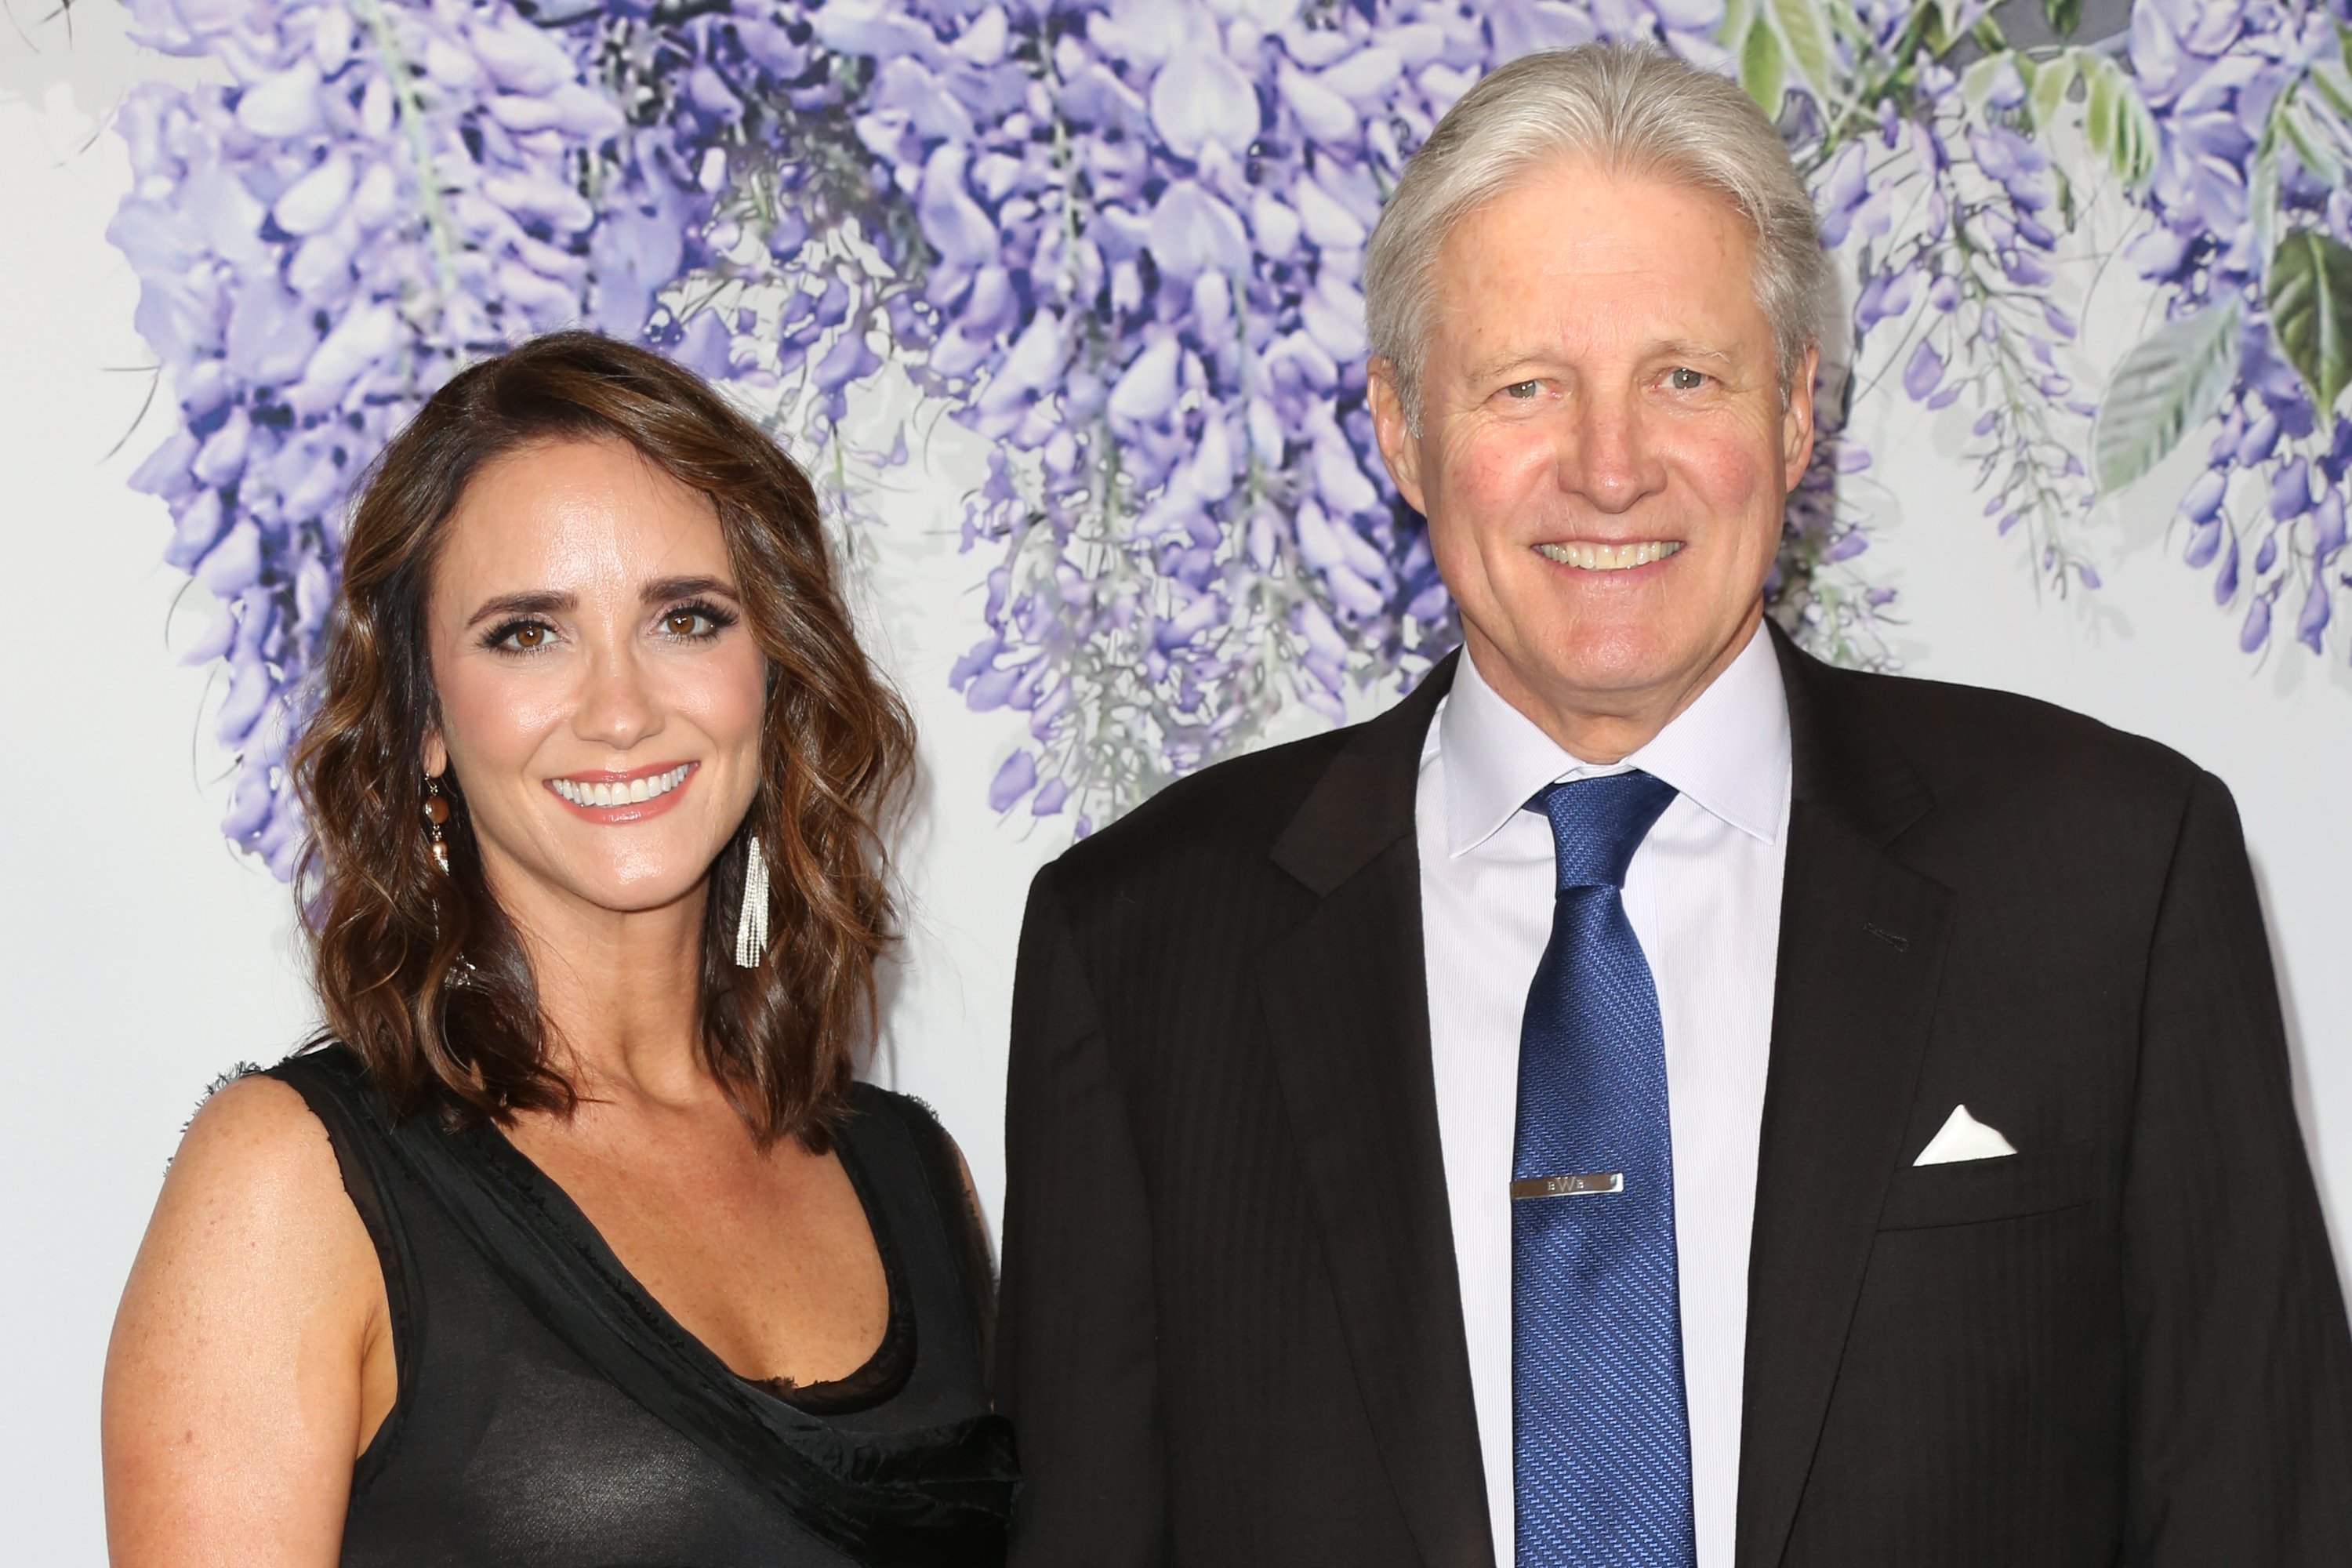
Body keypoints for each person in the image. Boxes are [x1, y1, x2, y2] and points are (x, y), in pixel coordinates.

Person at [996, 42, 2352, 1568]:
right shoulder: (1143, 946)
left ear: (1793, 415)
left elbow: (2265, 1503)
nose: (1609, 466)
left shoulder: (2114, 875)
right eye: (1526, 387)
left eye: (1683, 377)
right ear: (1397, 429)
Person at [103, 332, 1014, 1566]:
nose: (622, 709)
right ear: (426, 720)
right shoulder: (290, 1184)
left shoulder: (916, 1176)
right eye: (527, 634)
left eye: (686, 618)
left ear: (773, 674)